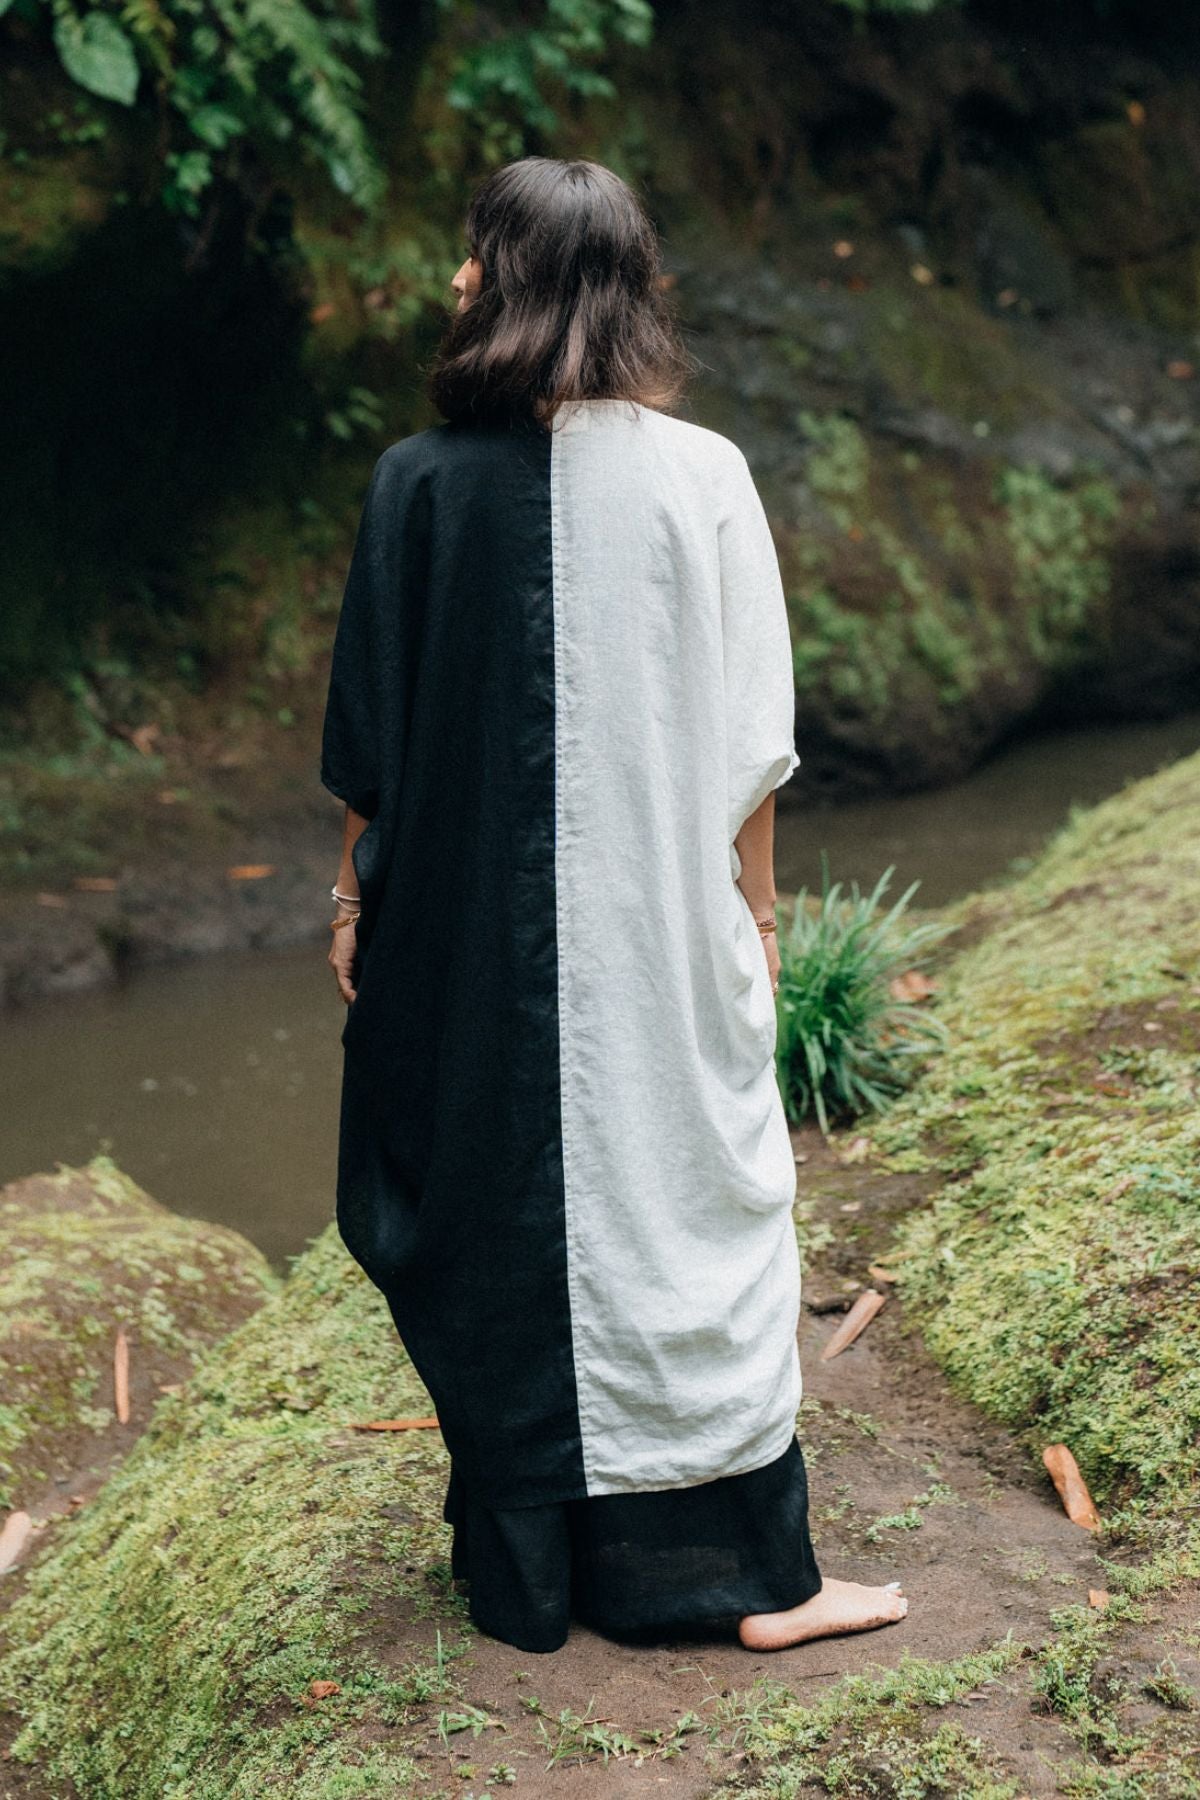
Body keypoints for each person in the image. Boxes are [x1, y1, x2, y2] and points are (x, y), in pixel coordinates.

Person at [320, 156, 908, 1656]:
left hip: (460, 956)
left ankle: (530, 1577)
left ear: (505, 284)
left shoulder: (414, 485)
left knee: (497, 1203)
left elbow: (370, 748)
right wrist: (756, 918)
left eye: (472, 259)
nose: (454, 281)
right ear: (629, 290)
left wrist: (349, 903)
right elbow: (752, 741)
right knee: (689, 1208)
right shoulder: (703, 474)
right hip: (662, 932)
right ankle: (748, 1581)